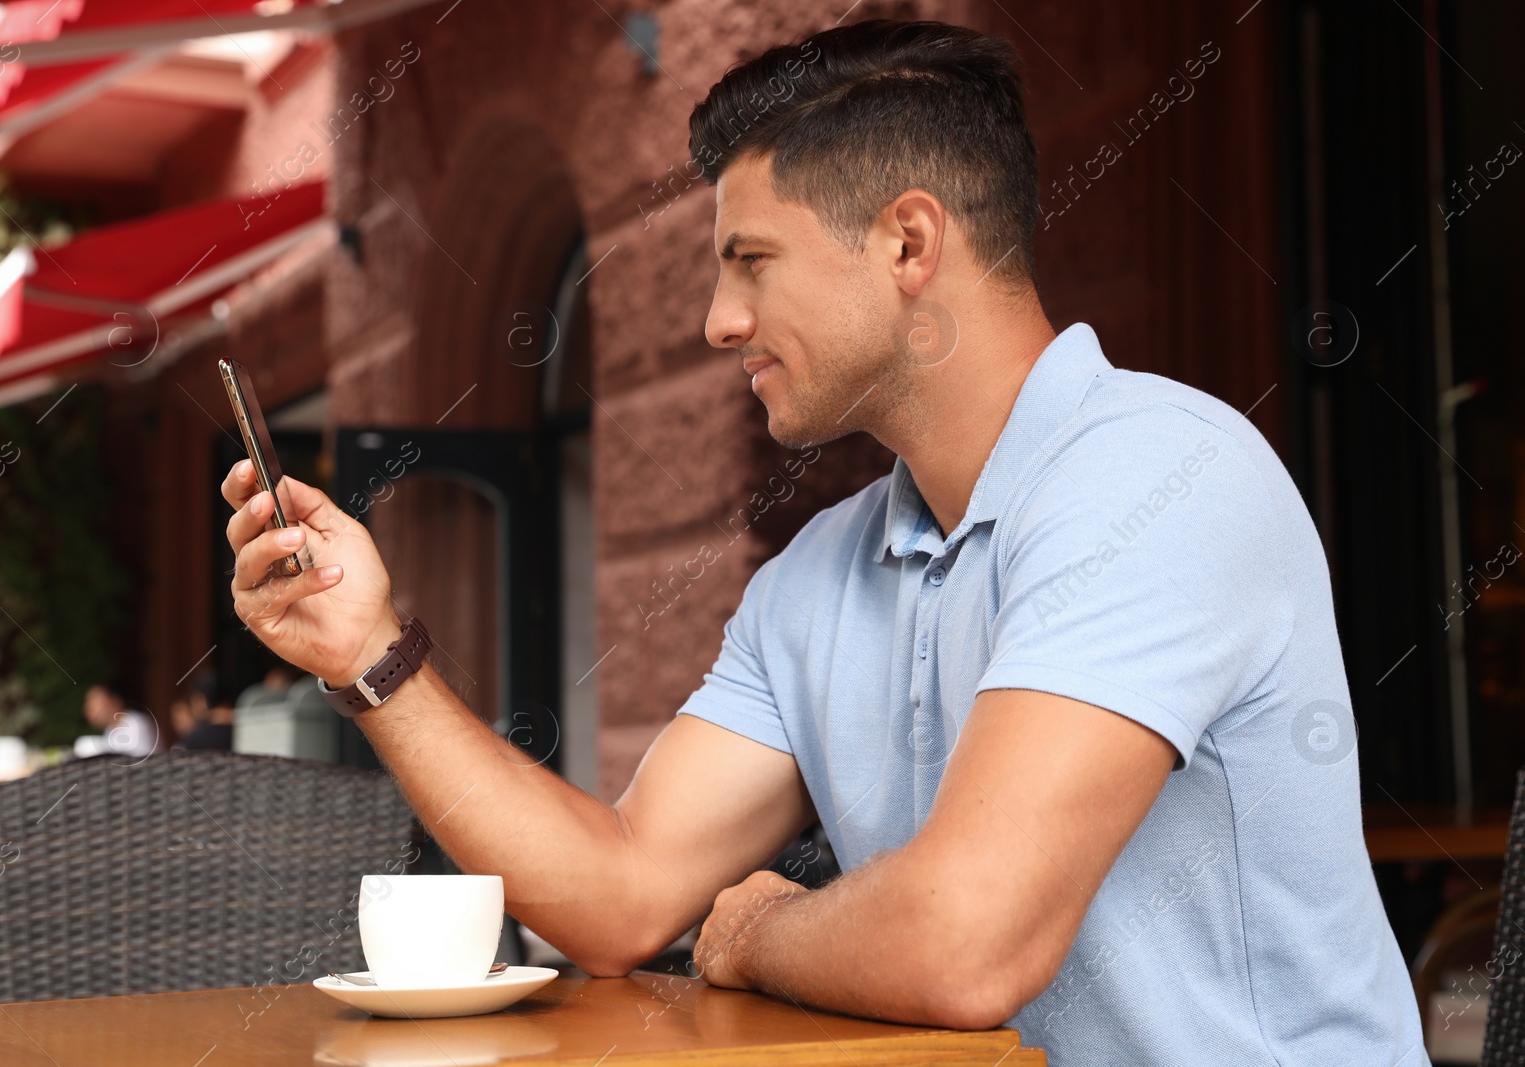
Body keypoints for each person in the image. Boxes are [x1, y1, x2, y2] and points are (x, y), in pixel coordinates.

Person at [219, 20, 1425, 1065]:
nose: (715, 320)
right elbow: (623, 890)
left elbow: (968, 938)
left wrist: (746, 931)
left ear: (909, 243)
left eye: (751, 262)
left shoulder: (1162, 475)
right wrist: (371, 652)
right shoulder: (821, 572)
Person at [76, 684, 158, 758]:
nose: (89, 710)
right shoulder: (110, 730)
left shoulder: (136, 724)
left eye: (95, 702)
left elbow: (141, 761)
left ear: (114, 701)